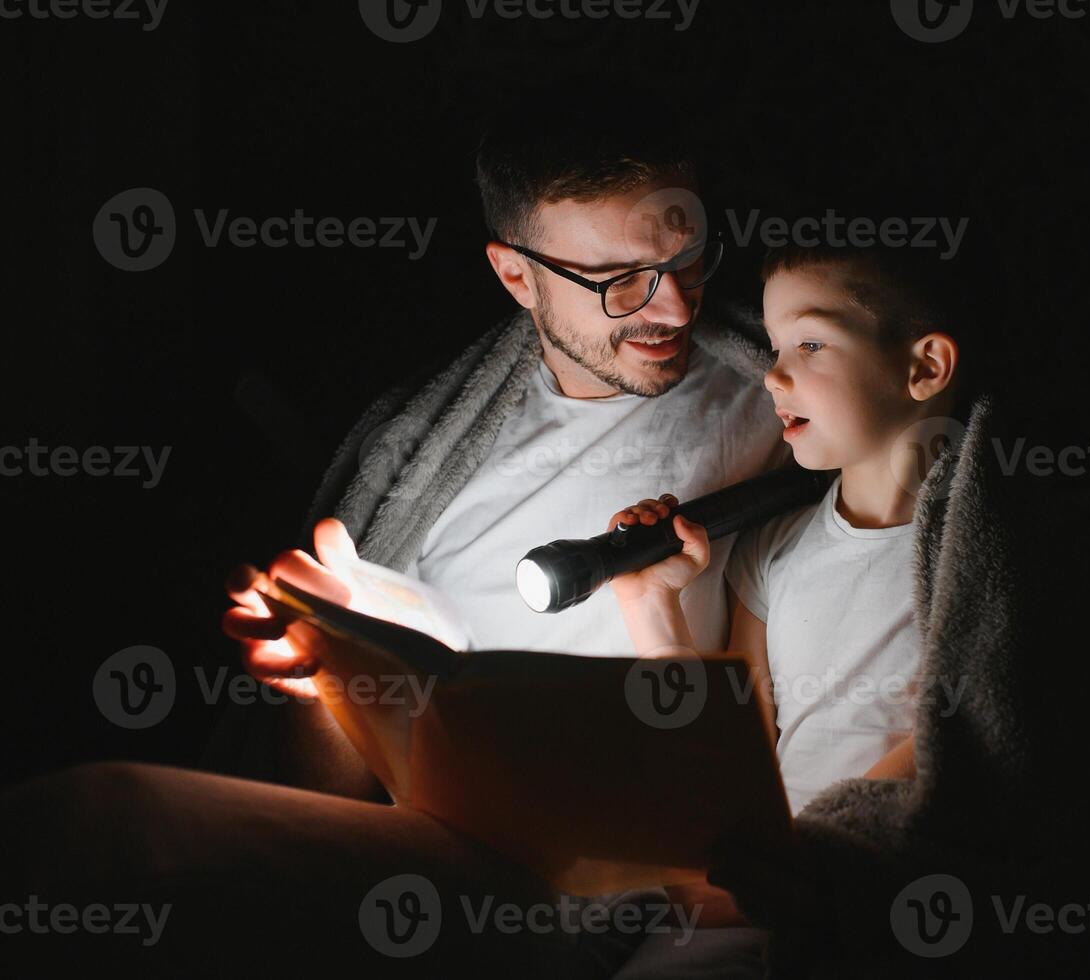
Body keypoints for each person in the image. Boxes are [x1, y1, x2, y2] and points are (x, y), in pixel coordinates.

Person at [0, 131, 789, 974]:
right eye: (618, 281)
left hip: (638, 884)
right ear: (515, 275)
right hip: (448, 853)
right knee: (99, 823)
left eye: (687, 257)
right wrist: (323, 676)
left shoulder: (788, 393)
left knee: (104, 820)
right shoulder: (419, 458)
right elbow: (324, 793)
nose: (670, 307)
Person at [600, 242, 966, 969]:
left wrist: (800, 872)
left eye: (809, 342)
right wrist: (650, 608)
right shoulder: (773, 549)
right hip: (726, 901)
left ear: (923, 366)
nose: (772, 375)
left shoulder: (974, 553)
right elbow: (730, 755)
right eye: (771, 347)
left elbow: (958, 744)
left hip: (853, 891)